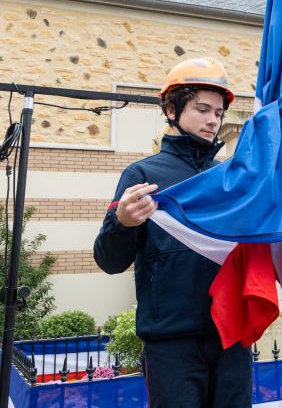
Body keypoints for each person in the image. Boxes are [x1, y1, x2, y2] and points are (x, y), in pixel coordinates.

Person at [93, 58, 251, 408]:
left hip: (232, 337)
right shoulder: (141, 176)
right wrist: (122, 223)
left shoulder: (228, 178)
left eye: (219, 113)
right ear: (171, 110)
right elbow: (109, 261)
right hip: (171, 344)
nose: (213, 120)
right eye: (202, 109)